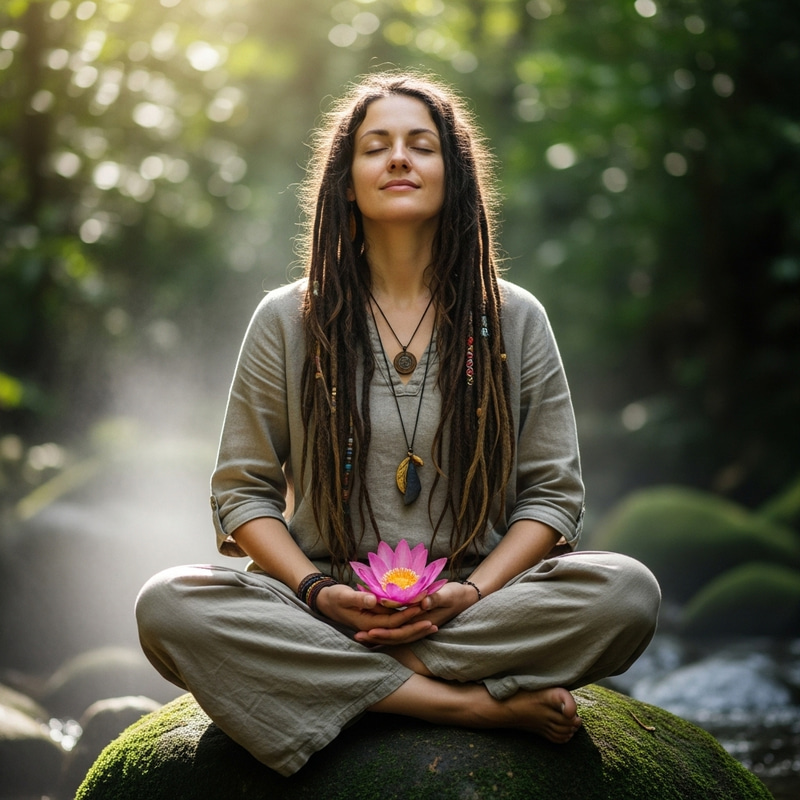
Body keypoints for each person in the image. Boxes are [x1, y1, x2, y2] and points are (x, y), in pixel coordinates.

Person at [135, 70, 660, 777]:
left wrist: (471, 593)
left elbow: (553, 497)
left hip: (476, 604)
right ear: (346, 181)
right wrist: (319, 594)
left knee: (628, 593)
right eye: (376, 146)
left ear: (456, 174)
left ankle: (339, 684)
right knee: (168, 606)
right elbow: (242, 495)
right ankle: (459, 704)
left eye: (421, 144)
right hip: (321, 603)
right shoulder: (289, 319)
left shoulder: (513, 319)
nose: (400, 159)